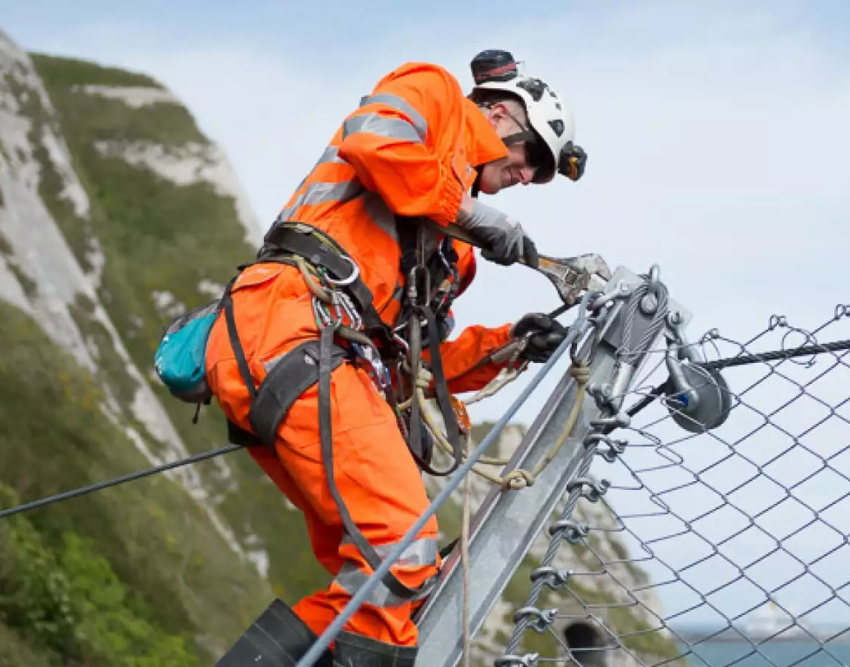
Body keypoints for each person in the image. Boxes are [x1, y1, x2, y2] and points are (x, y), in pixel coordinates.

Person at [205, 49, 587, 666]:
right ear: (497, 112)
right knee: (401, 547)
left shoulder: (447, 255)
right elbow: (372, 141)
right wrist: (468, 213)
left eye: (539, 174)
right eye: (531, 157)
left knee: (389, 583)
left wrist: (508, 343)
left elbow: (419, 367)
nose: (527, 176)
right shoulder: (434, 95)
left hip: (318, 355)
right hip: (291, 324)